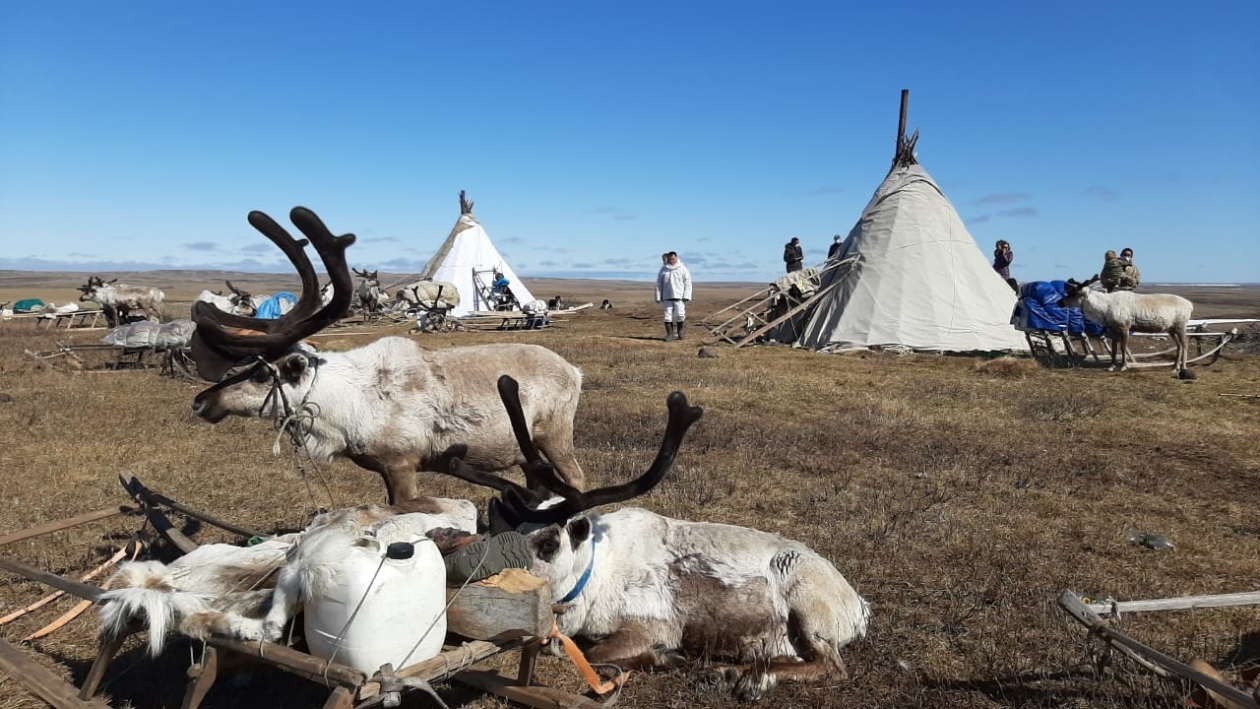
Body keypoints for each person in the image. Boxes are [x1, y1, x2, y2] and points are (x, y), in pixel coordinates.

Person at [655, 251, 692, 341]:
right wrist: (658, 296)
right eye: (670, 259)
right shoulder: (664, 269)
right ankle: (670, 335)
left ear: (676, 258)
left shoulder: (683, 269)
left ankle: (680, 331)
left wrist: (686, 295)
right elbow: (659, 284)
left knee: (680, 315)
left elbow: (687, 283)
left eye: (673, 259)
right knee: (667, 316)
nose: (671, 261)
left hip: (679, 296)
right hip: (667, 296)